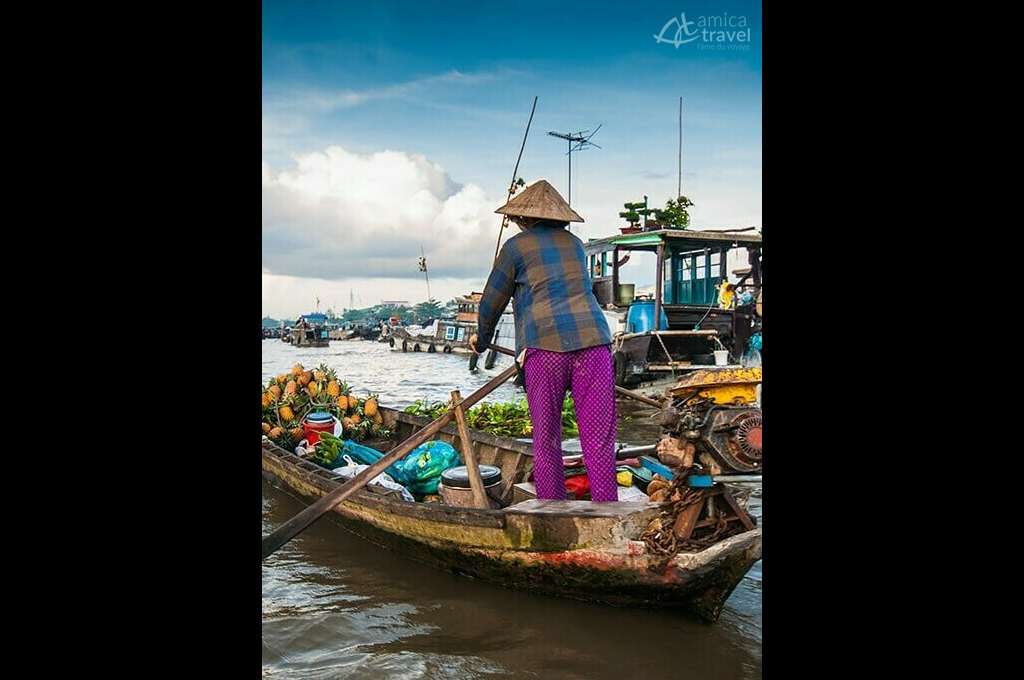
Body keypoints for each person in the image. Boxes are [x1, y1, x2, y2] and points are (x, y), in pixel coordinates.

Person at [469, 179, 617, 502]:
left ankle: (553, 509)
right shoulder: (576, 245)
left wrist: (480, 342)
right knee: (599, 439)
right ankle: (608, 511)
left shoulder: (515, 247)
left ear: (524, 219)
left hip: (545, 350)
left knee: (547, 439)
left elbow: (491, 300)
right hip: (594, 345)